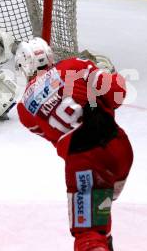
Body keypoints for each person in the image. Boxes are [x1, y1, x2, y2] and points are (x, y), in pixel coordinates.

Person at [15, 38, 133, 251]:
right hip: (119, 147)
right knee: (100, 209)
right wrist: (108, 74)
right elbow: (118, 95)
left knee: (89, 232)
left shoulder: (24, 110)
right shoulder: (75, 65)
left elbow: (57, 137)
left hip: (85, 159)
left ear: (24, 66)